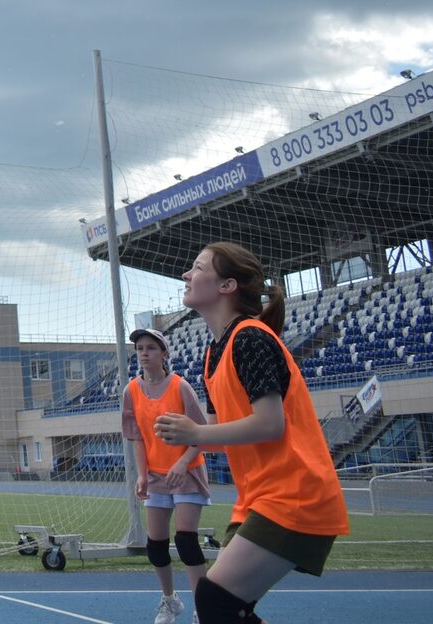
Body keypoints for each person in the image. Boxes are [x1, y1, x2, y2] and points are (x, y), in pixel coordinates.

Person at [156, 242, 349, 624]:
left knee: (214, 601)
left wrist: (193, 431)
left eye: (197, 267)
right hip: (260, 498)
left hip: (295, 494)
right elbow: (216, 432)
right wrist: (182, 455)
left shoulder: (250, 338)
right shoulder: (214, 352)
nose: (186, 274)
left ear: (227, 286)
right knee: (225, 609)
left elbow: (269, 423)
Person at [122, 326, 211, 624]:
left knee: (186, 541)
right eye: (139, 349)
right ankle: (170, 601)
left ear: (164, 353)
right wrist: (142, 475)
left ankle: (204, 607)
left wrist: (183, 463)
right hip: (157, 476)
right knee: (155, 546)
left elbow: (203, 436)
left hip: (187, 470)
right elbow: (137, 437)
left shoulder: (180, 387)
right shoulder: (131, 390)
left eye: (150, 348)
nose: (144, 353)